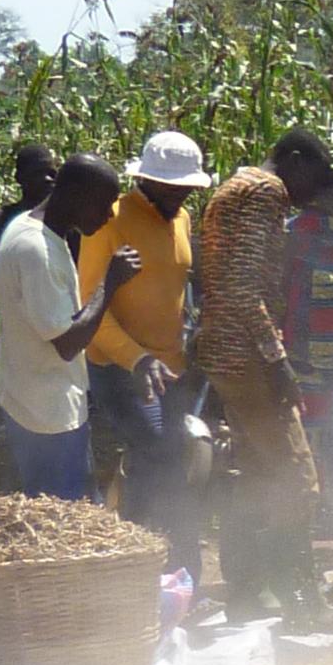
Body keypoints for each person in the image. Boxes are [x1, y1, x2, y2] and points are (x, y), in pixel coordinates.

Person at [192, 160, 318, 608]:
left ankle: (248, 591)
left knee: (257, 476)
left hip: (224, 354)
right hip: (247, 358)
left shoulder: (233, 188)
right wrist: (277, 360)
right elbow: (245, 289)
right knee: (297, 479)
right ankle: (298, 595)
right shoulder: (266, 191)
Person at [82, 131, 207, 577]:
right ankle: (148, 568)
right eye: (169, 186)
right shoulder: (110, 219)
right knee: (156, 455)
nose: (178, 194)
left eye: (185, 187)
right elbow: (91, 307)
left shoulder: (184, 219)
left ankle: (176, 573)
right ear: (146, 180)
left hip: (170, 369)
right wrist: (138, 359)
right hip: (120, 367)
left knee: (177, 464)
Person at [0, 155, 136, 502]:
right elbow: (68, 343)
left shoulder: (33, 229)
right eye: (103, 204)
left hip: (41, 402)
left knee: (65, 512)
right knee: (65, 518)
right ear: (75, 194)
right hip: (46, 416)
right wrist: (109, 283)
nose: (109, 215)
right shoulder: (35, 249)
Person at [271, 135, 333, 501]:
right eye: (327, 187)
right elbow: (279, 288)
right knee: (310, 435)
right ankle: (315, 503)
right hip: (304, 358)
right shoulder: (292, 233)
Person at [0, 143, 61, 307]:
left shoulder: (67, 219)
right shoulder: (3, 220)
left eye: (51, 173)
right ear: (19, 178)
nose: (47, 179)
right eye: (37, 173)